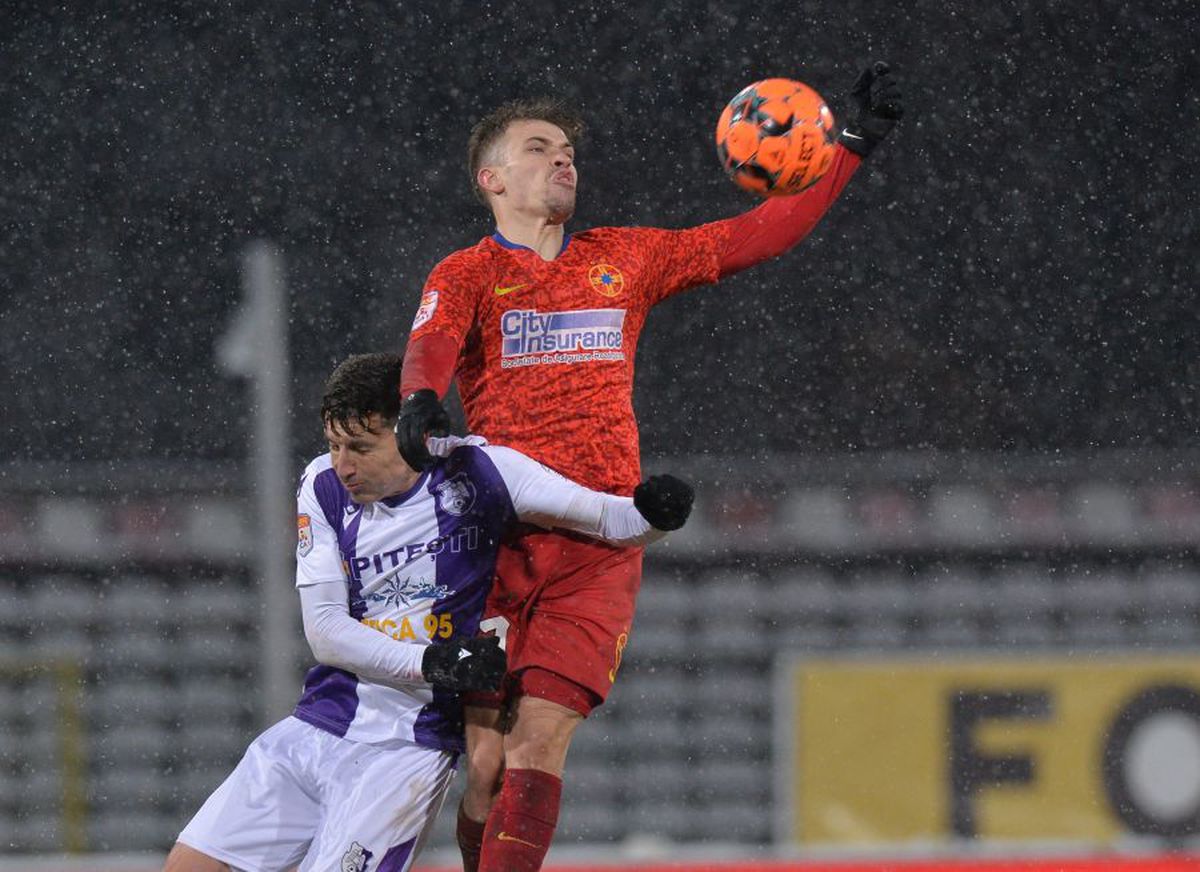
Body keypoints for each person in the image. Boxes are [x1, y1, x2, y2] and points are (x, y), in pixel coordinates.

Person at [394, 62, 903, 872]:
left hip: (599, 545)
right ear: (491, 178)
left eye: (568, 151)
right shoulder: (468, 272)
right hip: (494, 543)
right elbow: (431, 345)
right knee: (483, 771)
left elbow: (757, 233)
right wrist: (419, 401)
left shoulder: (624, 259)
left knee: (538, 746)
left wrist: (849, 146)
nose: (563, 160)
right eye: (538, 149)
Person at [162, 352, 693, 872]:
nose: (343, 464)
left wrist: (657, 514)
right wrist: (434, 662)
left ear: (407, 434)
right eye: (334, 445)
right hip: (317, 724)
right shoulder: (321, 485)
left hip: (403, 753)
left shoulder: (483, 471)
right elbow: (325, 632)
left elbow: (608, 518)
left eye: (360, 448)